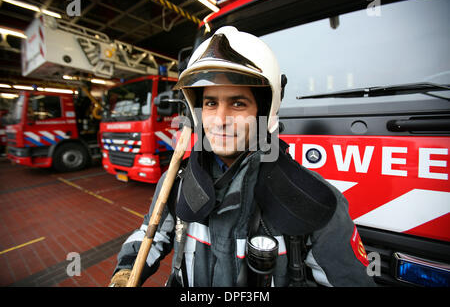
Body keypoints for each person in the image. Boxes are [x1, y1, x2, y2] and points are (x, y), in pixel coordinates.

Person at [109, 26, 376, 287]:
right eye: (211, 103)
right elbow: (151, 235)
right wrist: (125, 273)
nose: (220, 120)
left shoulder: (311, 200)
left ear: (264, 112)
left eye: (238, 103)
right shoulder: (176, 181)